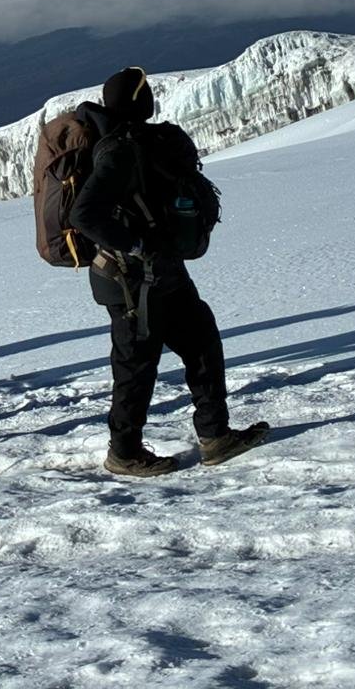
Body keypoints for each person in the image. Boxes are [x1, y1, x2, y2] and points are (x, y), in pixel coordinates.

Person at [70, 66, 269, 477]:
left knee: (201, 342)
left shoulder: (141, 142)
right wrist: (134, 245)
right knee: (135, 366)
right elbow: (84, 213)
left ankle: (215, 436)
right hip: (128, 279)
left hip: (162, 271)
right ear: (138, 100)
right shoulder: (119, 150)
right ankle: (123, 453)